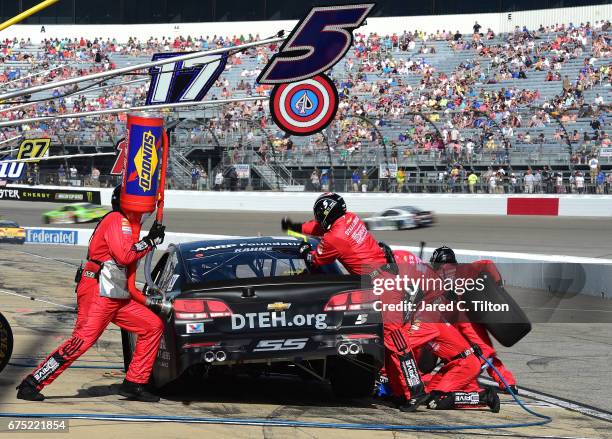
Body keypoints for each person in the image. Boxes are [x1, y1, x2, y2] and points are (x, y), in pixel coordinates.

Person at [16, 186, 166, 403]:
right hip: (99, 291)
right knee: (82, 341)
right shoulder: (116, 219)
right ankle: (32, 383)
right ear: (125, 201)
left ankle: (134, 383)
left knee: (152, 326)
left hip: (114, 292)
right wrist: (149, 241)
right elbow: (124, 256)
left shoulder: (124, 222)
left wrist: (147, 239)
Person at [282, 193, 428, 412]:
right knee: (388, 343)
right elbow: (322, 228)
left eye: (320, 215)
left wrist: (305, 250)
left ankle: (417, 391)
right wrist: (297, 227)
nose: (319, 219)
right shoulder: (350, 219)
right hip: (382, 279)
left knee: (396, 341)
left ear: (325, 213)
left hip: (382, 285)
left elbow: (317, 259)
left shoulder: (335, 238)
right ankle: (401, 392)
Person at [430, 246, 517, 396]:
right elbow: (487, 263)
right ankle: (507, 383)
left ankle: (480, 385)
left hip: (460, 323)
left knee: (474, 355)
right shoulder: (465, 269)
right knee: (482, 354)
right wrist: (498, 285)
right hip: (467, 320)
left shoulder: (434, 278)